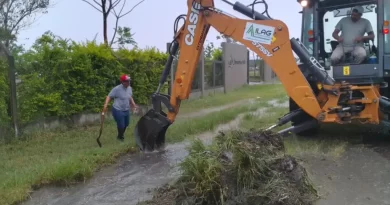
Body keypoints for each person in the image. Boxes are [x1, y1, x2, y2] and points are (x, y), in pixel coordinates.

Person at [102, 74, 138, 141]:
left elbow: (130, 96)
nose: (129, 82)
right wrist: (105, 104)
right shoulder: (117, 89)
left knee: (126, 124)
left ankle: (120, 135)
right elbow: (109, 96)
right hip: (118, 109)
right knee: (121, 125)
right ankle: (120, 137)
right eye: (127, 81)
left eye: (129, 81)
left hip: (126, 109)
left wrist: (133, 104)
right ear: (122, 82)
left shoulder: (130, 88)